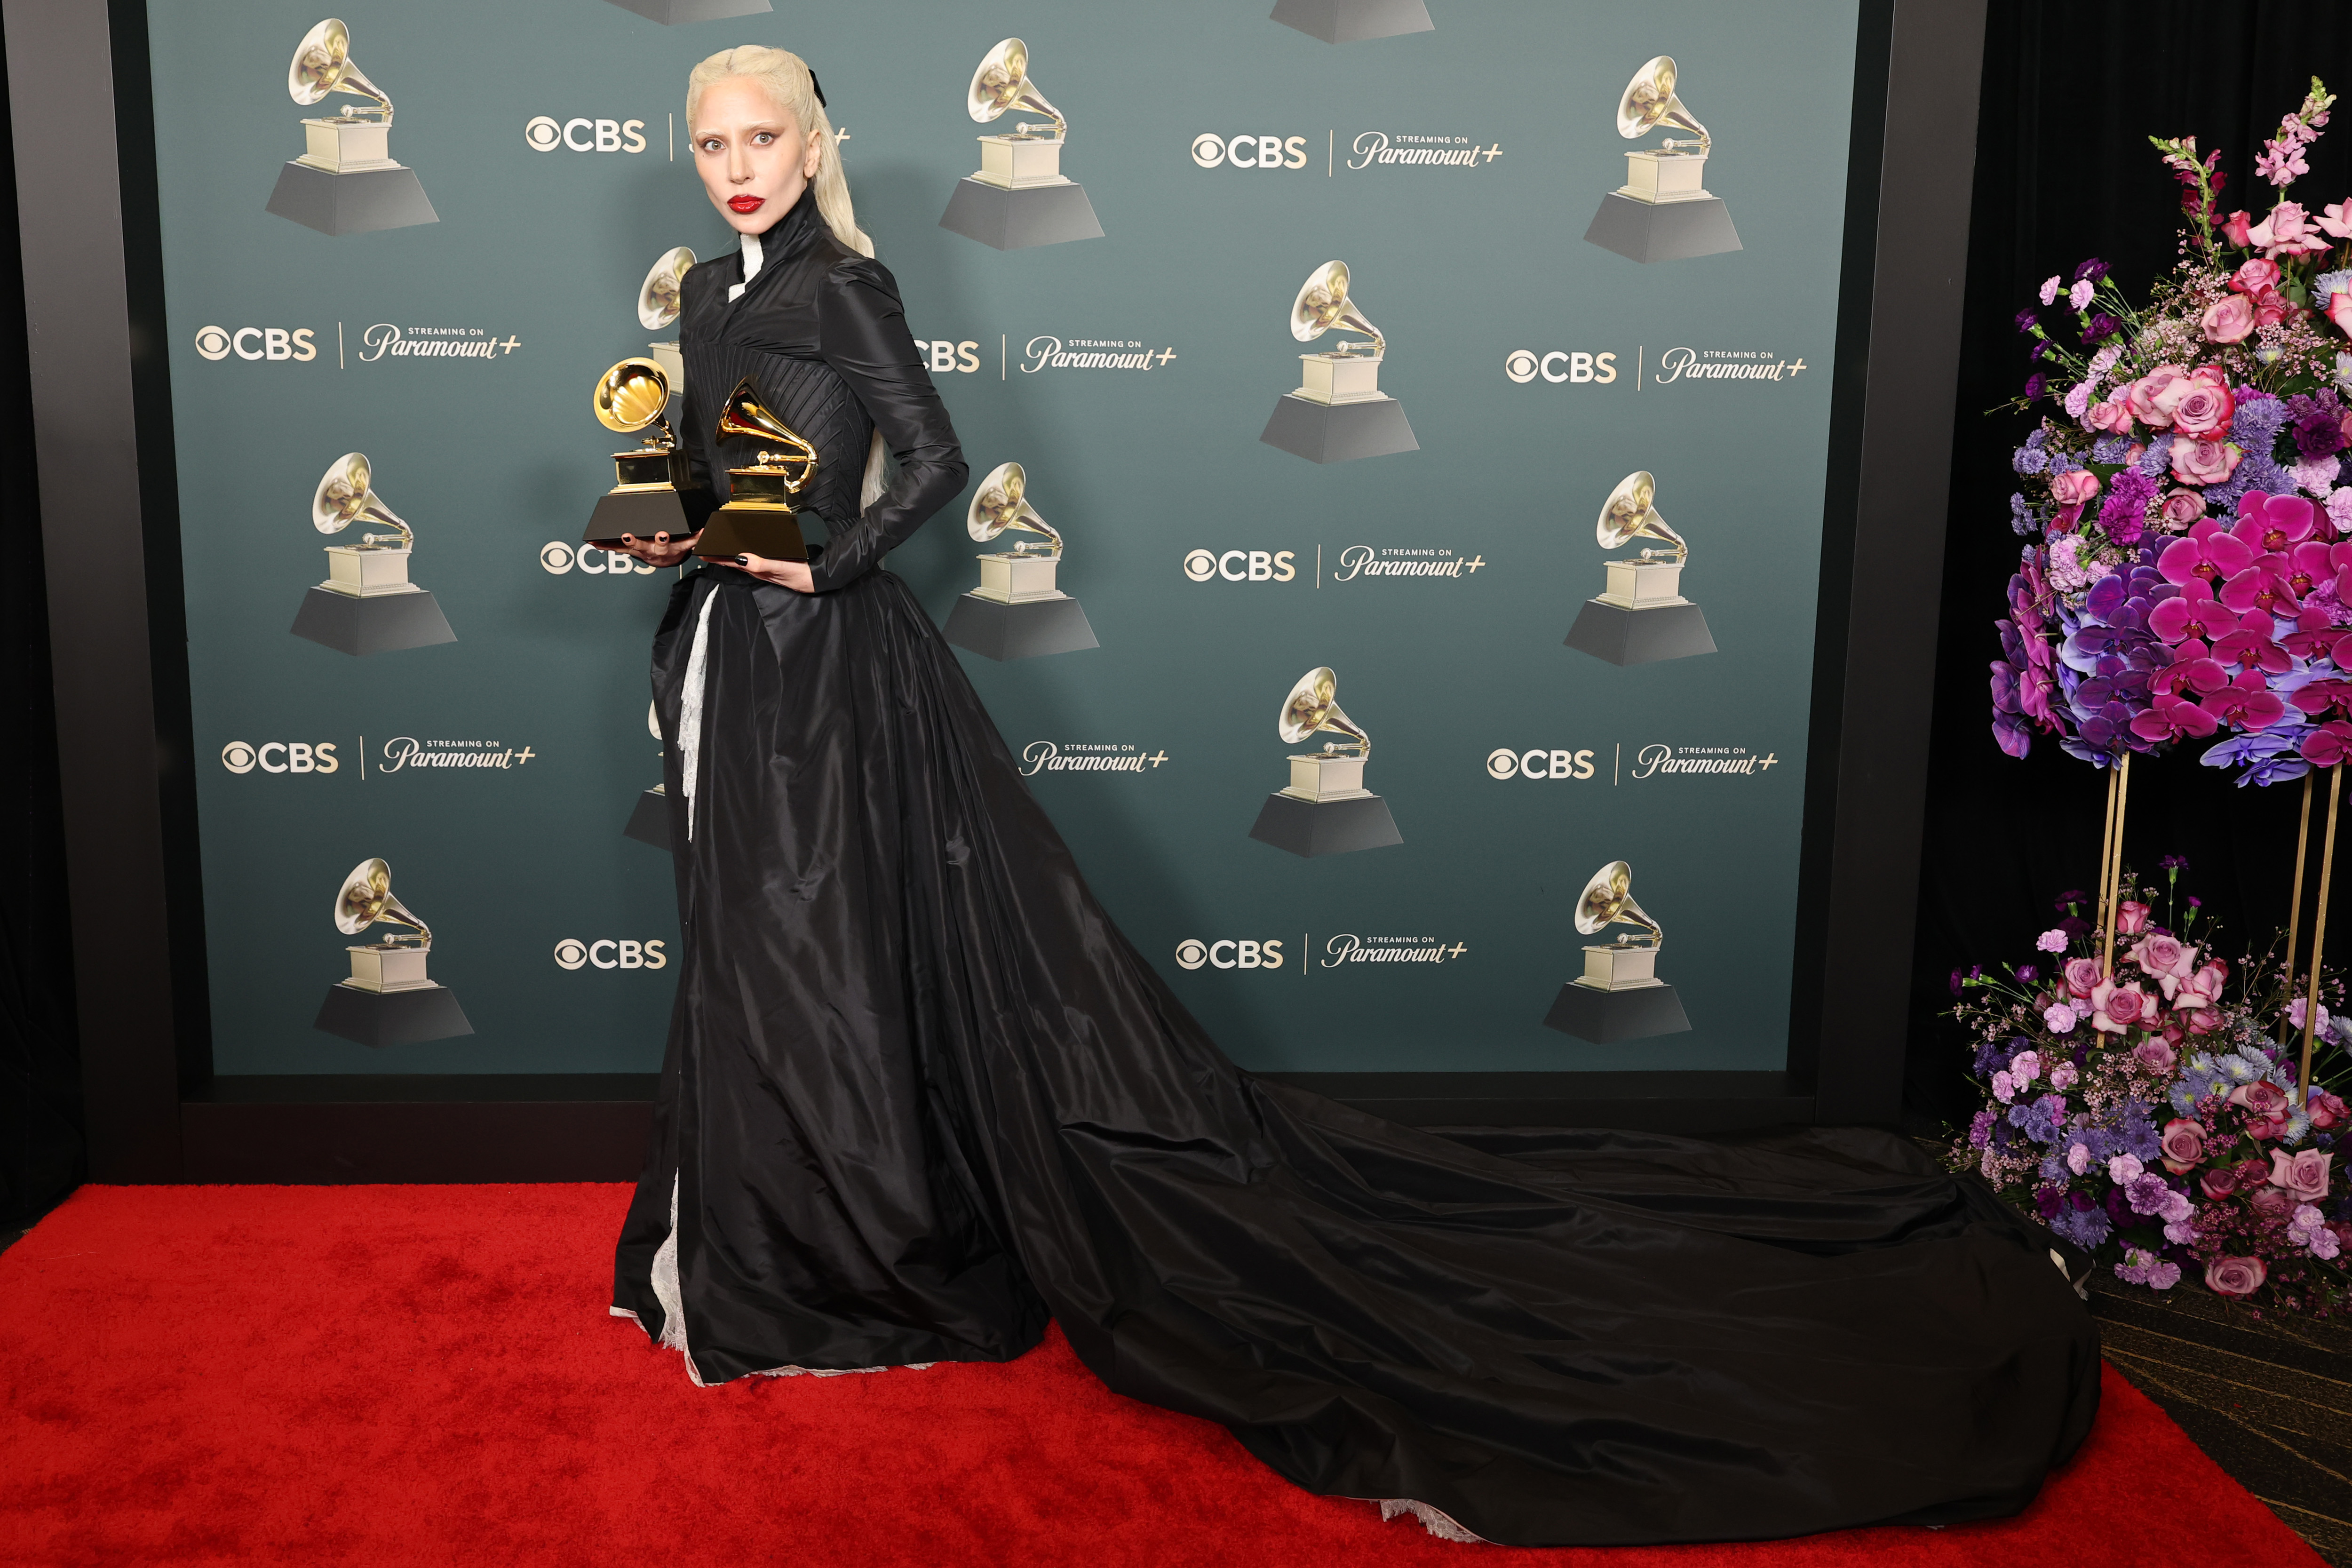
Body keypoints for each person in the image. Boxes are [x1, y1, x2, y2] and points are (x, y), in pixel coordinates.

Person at [609, 45, 2098, 1548]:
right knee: (751, 943)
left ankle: (852, 1250)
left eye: (763, 139)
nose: (738, 168)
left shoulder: (848, 286)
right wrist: (677, 527)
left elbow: (933, 461)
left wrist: (831, 563)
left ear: (813, 146)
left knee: (828, 950)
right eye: (713, 145)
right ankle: (761, 1226)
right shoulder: (706, 296)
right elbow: (717, 469)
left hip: (830, 669)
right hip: (725, 653)